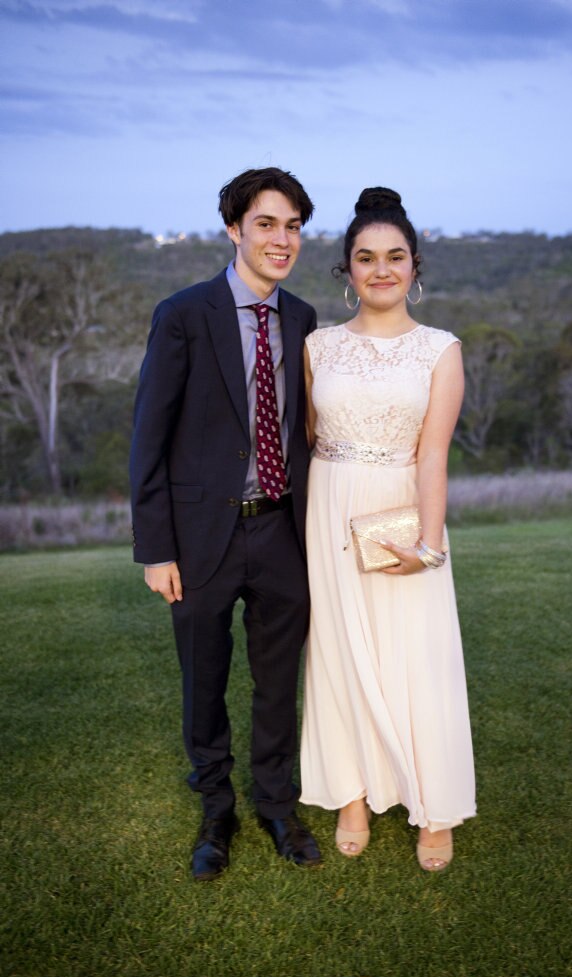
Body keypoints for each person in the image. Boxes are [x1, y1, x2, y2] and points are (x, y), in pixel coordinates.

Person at [129, 167, 321, 880]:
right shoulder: (184, 313)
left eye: (293, 225)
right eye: (266, 223)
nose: (281, 239)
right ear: (234, 228)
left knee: (277, 685)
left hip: (279, 532)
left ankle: (276, 806)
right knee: (202, 682)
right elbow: (150, 435)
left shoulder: (300, 318)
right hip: (199, 537)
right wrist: (155, 549)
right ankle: (216, 809)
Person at [300, 187, 476, 871]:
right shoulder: (317, 345)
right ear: (346, 270)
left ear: (414, 265)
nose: (380, 269)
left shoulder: (440, 349)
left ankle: (435, 805)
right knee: (339, 655)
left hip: (405, 507)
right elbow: (309, 437)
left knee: (417, 659)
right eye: (365, 258)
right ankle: (352, 792)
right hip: (329, 507)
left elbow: (433, 452)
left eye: (393, 257)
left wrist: (428, 546)